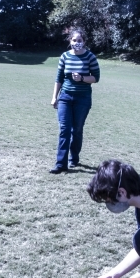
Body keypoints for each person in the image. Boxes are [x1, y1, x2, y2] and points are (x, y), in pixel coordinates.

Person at [48, 30, 100, 174]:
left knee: (76, 130)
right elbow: (59, 78)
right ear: (70, 41)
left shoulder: (90, 57)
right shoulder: (64, 56)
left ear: (84, 41)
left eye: (80, 40)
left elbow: (96, 77)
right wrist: (54, 97)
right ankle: (60, 164)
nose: (77, 43)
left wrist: (82, 78)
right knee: (64, 129)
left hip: (82, 99)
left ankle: (74, 158)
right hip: (65, 97)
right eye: (74, 40)